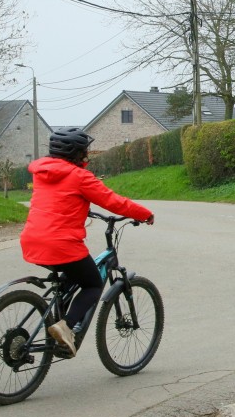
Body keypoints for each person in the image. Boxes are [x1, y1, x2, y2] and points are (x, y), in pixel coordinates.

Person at [20, 128, 154, 357]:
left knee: (71, 275)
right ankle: (65, 328)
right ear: (77, 153)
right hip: (61, 244)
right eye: (85, 151)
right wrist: (144, 214)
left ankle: (57, 322)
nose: (87, 155)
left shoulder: (41, 172)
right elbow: (113, 202)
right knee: (92, 283)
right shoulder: (80, 177)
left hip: (32, 241)